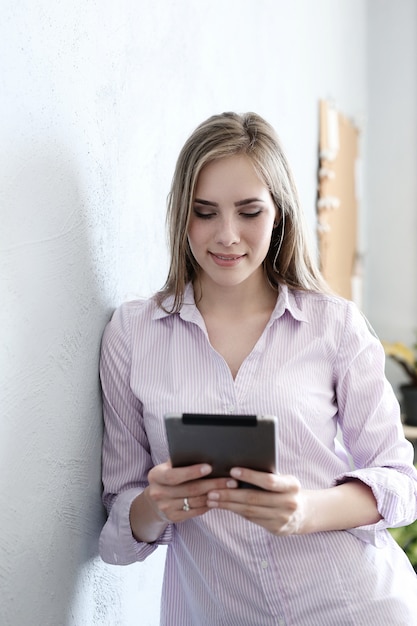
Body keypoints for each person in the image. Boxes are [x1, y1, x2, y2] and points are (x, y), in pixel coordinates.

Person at [99, 112, 417, 625]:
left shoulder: (333, 325)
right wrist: (161, 504)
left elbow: (400, 482)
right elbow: (119, 520)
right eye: (205, 212)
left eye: (249, 212)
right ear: (182, 215)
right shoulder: (133, 335)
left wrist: (304, 511)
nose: (227, 235)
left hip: (357, 606)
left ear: (279, 215)